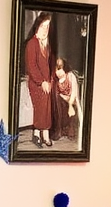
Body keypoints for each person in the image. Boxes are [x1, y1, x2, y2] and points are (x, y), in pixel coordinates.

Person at [24, 11, 54, 147]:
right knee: (41, 106)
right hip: (36, 83)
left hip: (47, 82)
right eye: (43, 26)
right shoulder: (32, 43)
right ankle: (38, 134)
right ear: (37, 26)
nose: (45, 30)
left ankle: (43, 134)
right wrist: (42, 82)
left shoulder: (47, 45)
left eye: (47, 27)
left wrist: (50, 81)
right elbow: (32, 66)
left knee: (47, 107)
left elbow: (51, 64)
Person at [52, 56, 81, 143]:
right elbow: (58, 94)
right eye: (57, 69)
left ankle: (70, 128)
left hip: (72, 101)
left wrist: (70, 104)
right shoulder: (56, 81)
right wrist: (63, 98)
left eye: (61, 68)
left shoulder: (71, 76)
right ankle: (59, 129)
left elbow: (74, 93)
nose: (59, 72)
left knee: (72, 109)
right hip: (62, 102)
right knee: (57, 101)